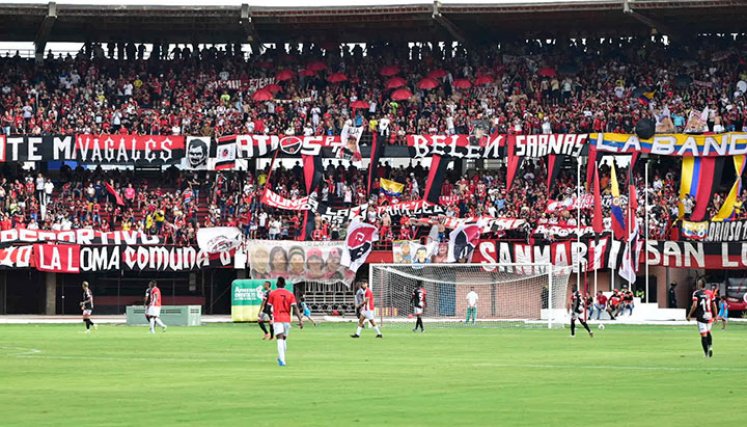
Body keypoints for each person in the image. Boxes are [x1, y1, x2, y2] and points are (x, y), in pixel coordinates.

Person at [266, 277, 303, 366]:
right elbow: (295, 308)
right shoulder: (290, 294)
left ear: (276, 284)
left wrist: (270, 318)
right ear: (284, 285)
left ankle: (282, 360)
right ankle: (281, 358)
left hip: (278, 318)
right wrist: (300, 320)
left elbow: (268, 308)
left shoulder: (273, 294)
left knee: (280, 339)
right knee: (284, 339)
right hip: (287, 319)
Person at [687, 279, 718, 357]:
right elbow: (714, 305)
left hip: (701, 316)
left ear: (700, 284)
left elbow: (694, 305)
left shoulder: (696, 293)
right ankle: (710, 347)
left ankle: (706, 353)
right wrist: (716, 315)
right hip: (709, 315)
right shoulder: (710, 293)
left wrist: (689, 314)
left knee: (703, 335)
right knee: (708, 332)